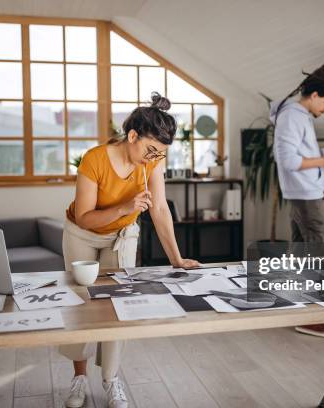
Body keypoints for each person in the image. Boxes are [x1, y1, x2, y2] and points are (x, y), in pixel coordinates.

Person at [60, 92, 200, 408]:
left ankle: (110, 379)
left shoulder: (150, 162)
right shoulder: (94, 159)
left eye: (160, 155)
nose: (153, 159)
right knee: (81, 303)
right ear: (132, 135)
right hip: (82, 233)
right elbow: (85, 216)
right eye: (150, 151)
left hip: (122, 235)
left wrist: (176, 259)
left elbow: (160, 208)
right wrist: (125, 206)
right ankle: (79, 377)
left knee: (117, 305)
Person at [271, 62, 324, 338]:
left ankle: (298, 307)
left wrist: (322, 160)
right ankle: (312, 315)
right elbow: (288, 159)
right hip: (306, 193)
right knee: (316, 250)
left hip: (304, 191)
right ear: (314, 95)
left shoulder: (297, 115)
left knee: (302, 250)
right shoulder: (293, 115)